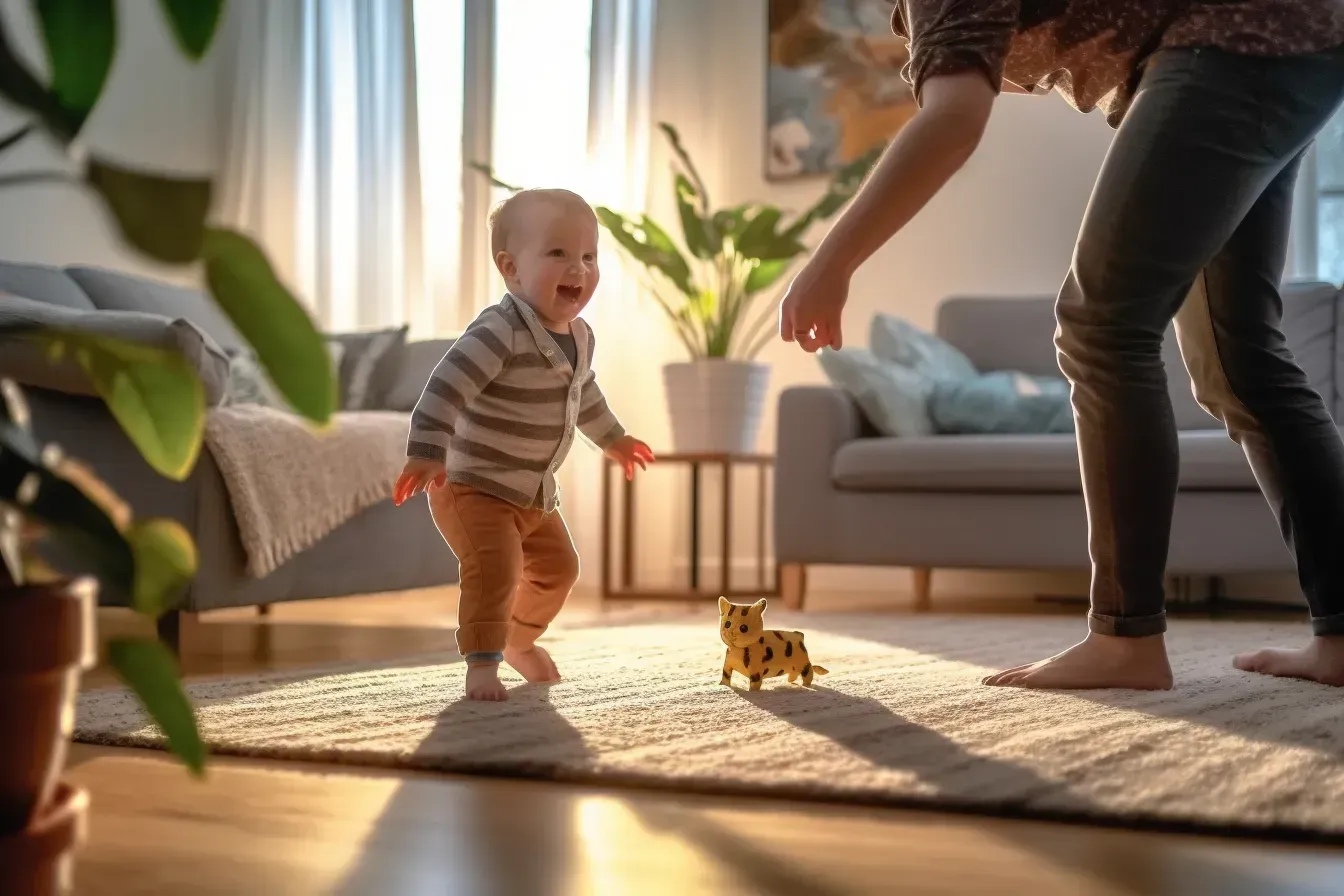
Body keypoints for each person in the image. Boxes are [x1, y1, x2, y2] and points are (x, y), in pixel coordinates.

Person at [777, 1, 1344, 691]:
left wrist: (831, 263)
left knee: (1102, 329)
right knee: (1240, 360)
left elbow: (954, 119)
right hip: (1295, 38)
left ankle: (1125, 638)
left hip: (1233, 42)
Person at [394, 188, 654, 701]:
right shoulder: (500, 331)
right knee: (495, 569)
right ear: (510, 268)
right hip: (472, 486)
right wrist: (427, 451)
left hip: (532, 492)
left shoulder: (580, 336)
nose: (578, 268)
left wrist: (615, 439)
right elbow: (445, 385)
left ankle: (518, 639)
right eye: (558, 253)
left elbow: (585, 393)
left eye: (589, 256)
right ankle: (482, 663)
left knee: (560, 569)